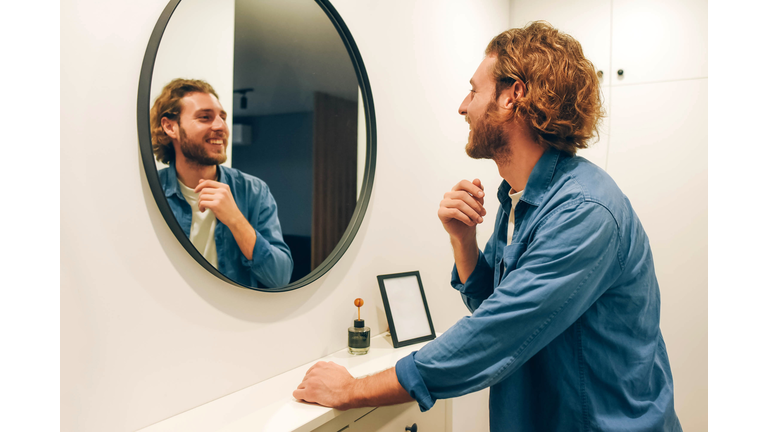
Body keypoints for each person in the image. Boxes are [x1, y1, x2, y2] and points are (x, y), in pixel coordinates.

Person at [293, 21, 682, 431]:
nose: (463, 107)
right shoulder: (517, 197)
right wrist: (463, 242)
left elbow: (495, 335)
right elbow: (492, 304)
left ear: (513, 95)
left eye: (474, 91)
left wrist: (352, 389)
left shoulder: (584, 211)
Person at [150, 78, 293, 288]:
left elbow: (280, 278)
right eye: (205, 117)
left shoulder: (254, 191)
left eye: (222, 117)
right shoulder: (149, 193)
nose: (221, 126)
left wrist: (235, 220)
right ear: (170, 127)